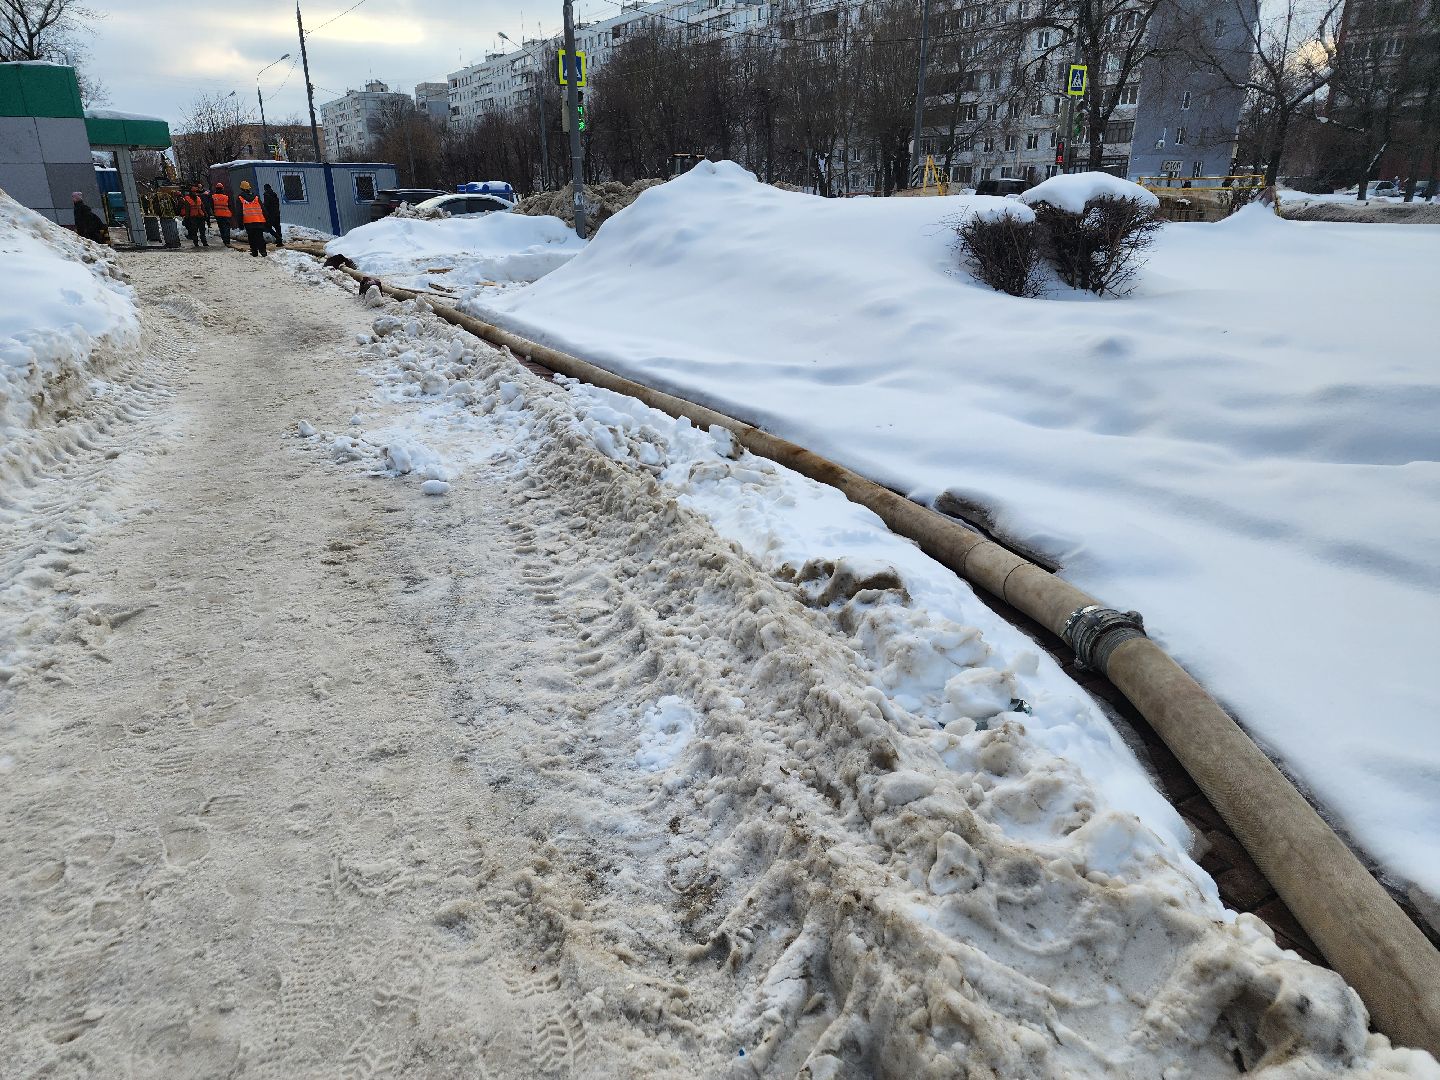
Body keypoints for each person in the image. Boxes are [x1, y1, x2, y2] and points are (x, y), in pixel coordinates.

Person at [237, 182, 268, 257]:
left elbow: (239, 212)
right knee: (260, 236)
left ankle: (254, 252)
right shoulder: (256, 197)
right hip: (259, 220)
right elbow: (263, 209)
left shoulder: (240, 198)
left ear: (241, 188)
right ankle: (263, 252)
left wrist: (240, 224)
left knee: (251, 237)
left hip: (248, 221)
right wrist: (266, 218)